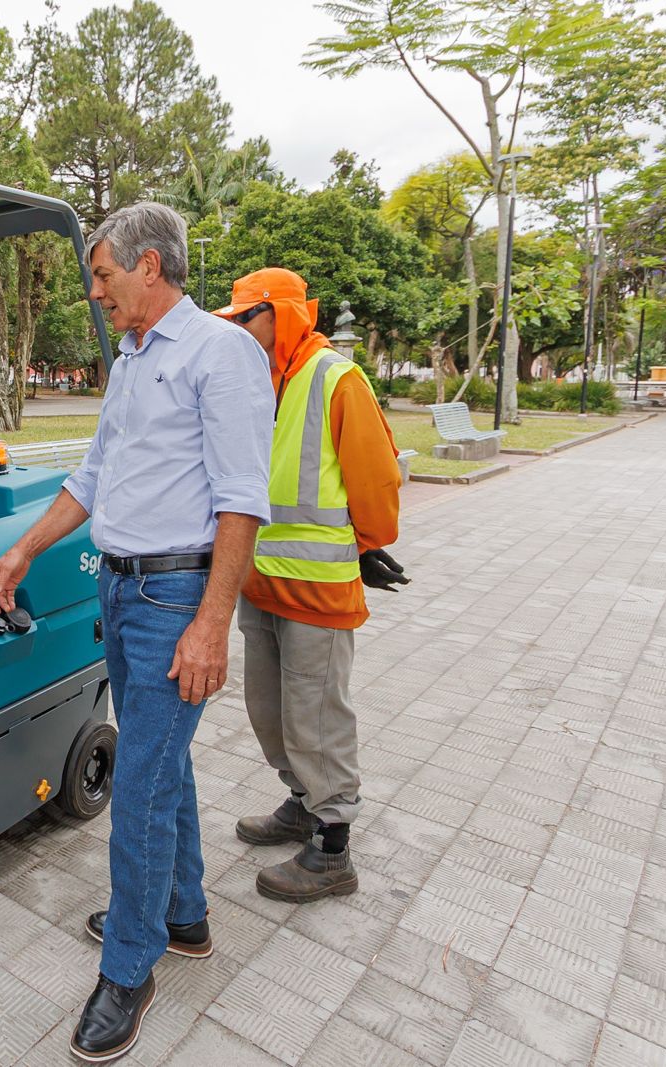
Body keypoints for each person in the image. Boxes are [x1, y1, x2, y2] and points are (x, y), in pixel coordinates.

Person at [0, 203, 273, 1063]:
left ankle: (129, 964)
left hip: (176, 597)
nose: (96, 291)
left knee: (140, 779)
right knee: (161, 758)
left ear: (151, 266)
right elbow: (93, 474)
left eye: (103, 274)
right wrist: (25, 547)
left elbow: (242, 500)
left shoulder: (220, 352)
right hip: (120, 588)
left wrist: (211, 623)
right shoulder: (135, 359)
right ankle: (182, 915)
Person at [213, 268, 408, 902]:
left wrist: (368, 544)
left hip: (317, 591)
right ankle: (301, 802)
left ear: (282, 314)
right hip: (260, 583)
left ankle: (331, 848)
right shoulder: (261, 381)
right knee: (270, 712)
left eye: (247, 317)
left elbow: (376, 479)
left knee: (317, 718)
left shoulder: (336, 379)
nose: (238, 329)